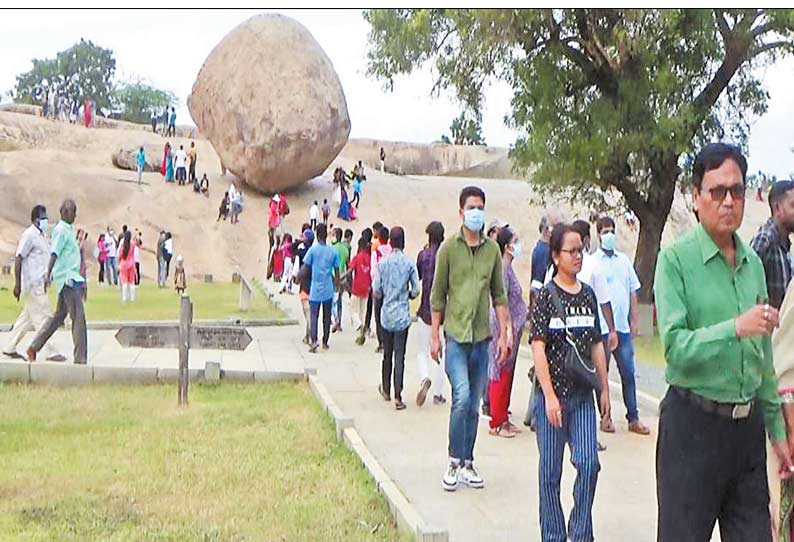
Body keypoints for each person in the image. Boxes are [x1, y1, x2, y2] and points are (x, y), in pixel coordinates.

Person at [654, 143, 794, 541]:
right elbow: (675, 349)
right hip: (692, 428)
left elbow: (763, 358)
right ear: (696, 198)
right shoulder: (675, 262)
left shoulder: (752, 263)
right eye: (717, 192)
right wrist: (734, 327)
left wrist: (778, 435)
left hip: (745, 434)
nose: (728, 201)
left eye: (737, 190)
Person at [530, 223, 611, 542]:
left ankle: (579, 533)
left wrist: (604, 389)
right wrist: (549, 395)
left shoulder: (588, 295)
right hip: (552, 400)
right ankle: (552, 535)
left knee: (589, 465)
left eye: (581, 250)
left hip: (582, 399)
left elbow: (596, 345)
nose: (578, 256)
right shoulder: (547, 297)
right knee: (550, 475)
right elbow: (538, 346)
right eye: (571, 251)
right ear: (555, 256)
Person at [430, 186, 510, 492]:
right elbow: (437, 295)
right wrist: (435, 335)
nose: (476, 212)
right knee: (461, 397)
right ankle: (453, 460)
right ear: (461, 212)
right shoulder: (448, 249)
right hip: (455, 338)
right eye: (471, 207)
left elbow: (499, 294)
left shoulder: (492, 251)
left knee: (475, 405)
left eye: (481, 207)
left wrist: (504, 332)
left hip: (482, 339)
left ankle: (468, 461)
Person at [592, 216, 650, 436]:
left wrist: (635, 320)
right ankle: (605, 417)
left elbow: (632, 291)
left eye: (612, 231)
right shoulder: (593, 262)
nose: (609, 235)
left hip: (622, 329)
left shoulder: (623, 261)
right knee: (602, 375)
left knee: (628, 372)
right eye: (605, 231)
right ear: (598, 235)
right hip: (602, 330)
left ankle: (633, 417)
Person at [27, 199, 87, 364]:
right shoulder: (61, 230)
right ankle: (80, 359)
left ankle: (34, 347)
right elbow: (54, 253)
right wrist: (48, 274)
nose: (75, 214)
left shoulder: (69, 229)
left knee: (58, 317)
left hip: (72, 278)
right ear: (64, 212)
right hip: (67, 280)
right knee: (79, 318)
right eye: (72, 211)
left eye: (75, 211)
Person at [2, 205, 66, 362]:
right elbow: (18, 258)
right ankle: (50, 350)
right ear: (36, 220)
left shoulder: (41, 236)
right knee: (44, 317)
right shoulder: (29, 235)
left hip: (41, 283)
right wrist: (17, 284)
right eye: (43, 218)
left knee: (26, 319)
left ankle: (9, 347)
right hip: (33, 284)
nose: (46, 220)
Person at [487, 225, 528, 438]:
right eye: (515, 241)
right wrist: (507, 329)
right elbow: (500, 299)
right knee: (499, 370)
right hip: (503, 326)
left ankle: (503, 417)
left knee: (508, 372)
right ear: (507, 246)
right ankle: (496, 420)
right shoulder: (502, 268)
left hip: (514, 327)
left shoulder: (508, 268)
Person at [373, 226, 420, 411]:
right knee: (400, 355)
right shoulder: (409, 264)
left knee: (387, 354)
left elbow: (376, 289)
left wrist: (386, 294)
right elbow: (416, 290)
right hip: (402, 316)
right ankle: (398, 395)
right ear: (404, 241)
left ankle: (385, 389)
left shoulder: (383, 264)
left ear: (390, 242)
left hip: (386, 315)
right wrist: (406, 295)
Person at [415, 221, 447, 406]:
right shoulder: (446, 257)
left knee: (422, 351)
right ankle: (438, 393)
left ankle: (424, 377)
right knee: (441, 354)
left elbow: (418, 277)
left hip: (424, 310)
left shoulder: (423, 256)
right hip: (442, 313)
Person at [751, 180, 794, 309]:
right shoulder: (765, 239)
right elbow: (747, 282)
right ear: (777, 208)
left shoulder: (785, 243)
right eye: (793, 205)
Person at [303, 224, 340, 353]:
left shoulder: (313, 250)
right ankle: (325, 341)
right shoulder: (333, 251)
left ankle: (314, 341)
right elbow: (337, 271)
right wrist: (337, 286)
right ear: (326, 235)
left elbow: (306, 267)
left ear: (317, 235)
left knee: (314, 316)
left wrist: (298, 277)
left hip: (315, 288)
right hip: (328, 289)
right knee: (326, 316)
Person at [345, 237, 372, 344]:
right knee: (362, 312)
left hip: (357, 287)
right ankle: (361, 335)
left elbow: (350, 271)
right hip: (366, 288)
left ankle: (359, 325)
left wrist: (341, 278)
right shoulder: (370, 258)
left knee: (352, 310)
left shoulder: (357, 257)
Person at [371, 226, 392, 353]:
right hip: (390, 288)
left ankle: (381, 343)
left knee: (378, 316)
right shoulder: (391, 251)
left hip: (379, 288)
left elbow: (373, 272)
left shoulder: (376, 252)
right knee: (388, 314)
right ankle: (389, 340)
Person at [117, 230, 136, 303]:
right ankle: (132, 298)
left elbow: (120, 255)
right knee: (132, 282)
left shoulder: (123, 245)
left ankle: (124, 298)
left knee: (124, 282)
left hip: (124, 264)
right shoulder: (132, 245)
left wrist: (119, 262)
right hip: (131, 264)